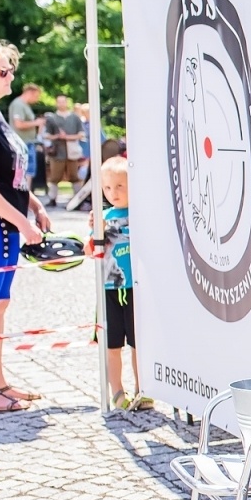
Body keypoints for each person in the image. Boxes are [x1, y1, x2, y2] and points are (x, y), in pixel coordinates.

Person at [0, 38, 49, 412]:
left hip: (4, 229)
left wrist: (33, 204)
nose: (10, 77)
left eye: (11, 70)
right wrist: (21, 219)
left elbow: (8, 176)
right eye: (1, 71)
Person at [91, 157, 151, 410]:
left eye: (120, 186)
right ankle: (116, 390)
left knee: (139, 343)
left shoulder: (141, 214)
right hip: (108, 290)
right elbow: (89, 250)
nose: (112, 193)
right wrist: (94, 233)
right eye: (107, 188)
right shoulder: (101, 217)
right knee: (112, 344)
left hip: (136, 289)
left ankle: (144, 388)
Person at [43, 94, 85, 207]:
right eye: (59, 102)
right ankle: (52, 199)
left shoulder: (74, 118)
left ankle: (78, 199)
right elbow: (46, 135)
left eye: (63, 101)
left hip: (72, 152)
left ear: (67, 103)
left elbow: (81, 134)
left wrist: (67, 137)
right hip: (57, 152)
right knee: (55, 177)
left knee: (74, 176)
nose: (61, 104)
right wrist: (57, 136)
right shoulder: (52, 118)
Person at [8, 84, 42, 182]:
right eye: (36, 96)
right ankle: (23, 196)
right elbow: (18, 124)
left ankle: (26, 195)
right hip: (22, 143)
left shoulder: (25, 105)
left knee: (29, 172)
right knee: (24, 172)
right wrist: (36, 122)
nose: (36, 99)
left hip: (28, 142)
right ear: (29, 93)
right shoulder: (18, 104)